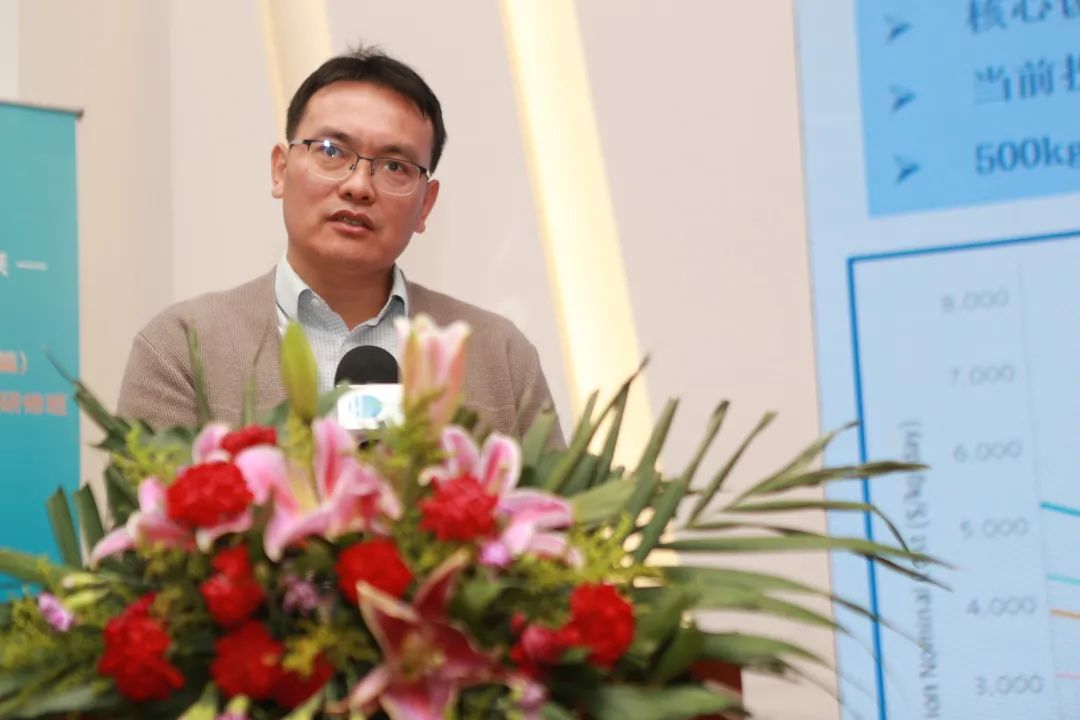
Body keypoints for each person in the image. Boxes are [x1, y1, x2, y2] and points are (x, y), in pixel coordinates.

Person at [117, 46, 562, 442]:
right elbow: (147, 506)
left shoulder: (500, 356)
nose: (359, 186)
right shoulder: (183, 347)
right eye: (331, 151)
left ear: (426, 204)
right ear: (280, 169)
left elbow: (555, 511)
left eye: (394, 166)